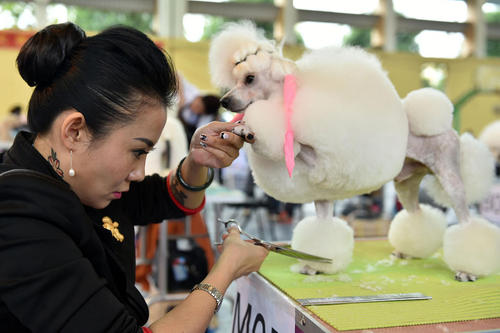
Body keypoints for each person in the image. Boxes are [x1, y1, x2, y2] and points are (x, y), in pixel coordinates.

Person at [0, 22, 267, 333]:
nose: (140, 171)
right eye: (138, 152)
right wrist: (226, 269)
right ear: (74, 131)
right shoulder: (17, 216)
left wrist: (197, 160)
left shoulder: (80, 184)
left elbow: (166, 197)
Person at [177, 74, 221, 144]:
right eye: (198, 106)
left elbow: (201, 133)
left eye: (199, 111)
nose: (196, 110)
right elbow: (177, 75)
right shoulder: (192, 92)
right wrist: (181, 94)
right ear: (199, 97)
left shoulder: (205, 118)